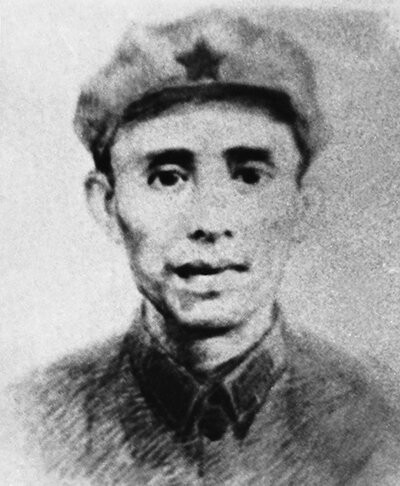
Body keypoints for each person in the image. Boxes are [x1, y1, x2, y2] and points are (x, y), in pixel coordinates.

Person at [4, 9, 400, 485]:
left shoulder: (383, 424)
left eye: (249, 176)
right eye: (167, 177)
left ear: (300, 205)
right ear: (107, 205)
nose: (210, 223)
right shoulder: (28, 426)